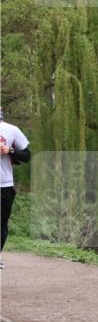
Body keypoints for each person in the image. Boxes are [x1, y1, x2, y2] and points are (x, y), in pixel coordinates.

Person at [0, 108, 31, 268]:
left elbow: (26, 156)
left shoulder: (12, 130)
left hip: (4, 185)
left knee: (1, 223)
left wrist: (10, 150)